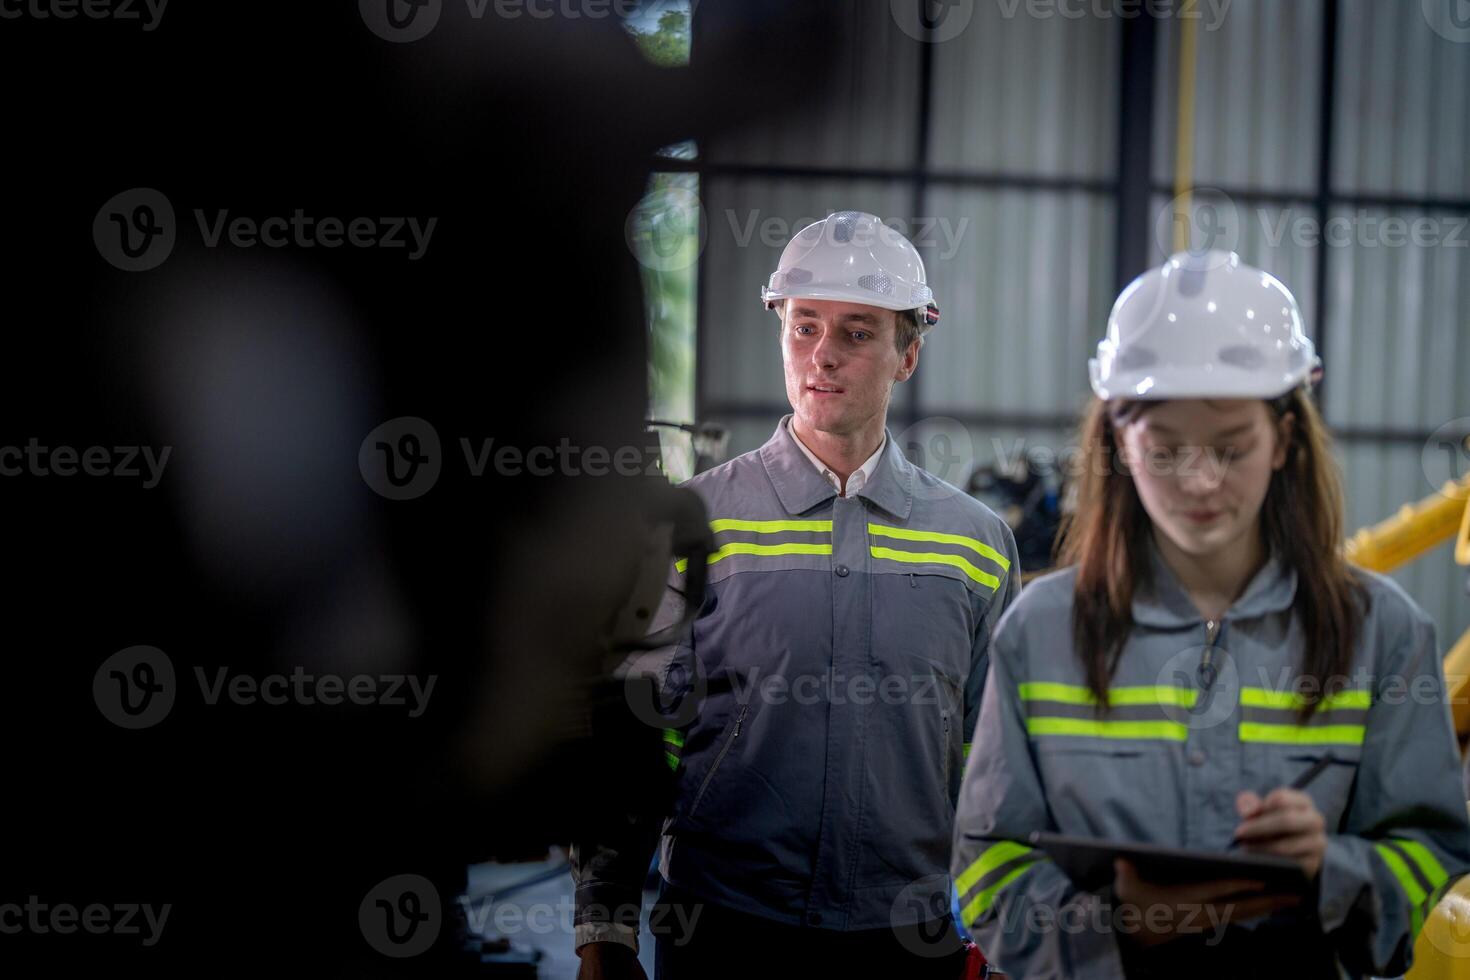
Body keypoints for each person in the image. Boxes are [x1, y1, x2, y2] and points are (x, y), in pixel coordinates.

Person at [950, 249, 1470, 977]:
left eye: (1231, 449)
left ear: (1286, 439)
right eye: (1164, 451)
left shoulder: (1382, 635)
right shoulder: (1041, 633)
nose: (1199, 482)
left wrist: (1331, 868)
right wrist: (1117, 927)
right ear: (1120, 446)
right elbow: (985, 869)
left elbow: (1430, 851)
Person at [573, 211, 1020, 978]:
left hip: (910, 938)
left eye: (857, 333)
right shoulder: (693, 526)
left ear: (908, 352)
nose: (824, 355)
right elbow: (633, 740)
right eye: (805, 326)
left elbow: (1000, 757)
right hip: (725, 928)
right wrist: (605, 928)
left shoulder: (974, 544)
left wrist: (1005, 924)